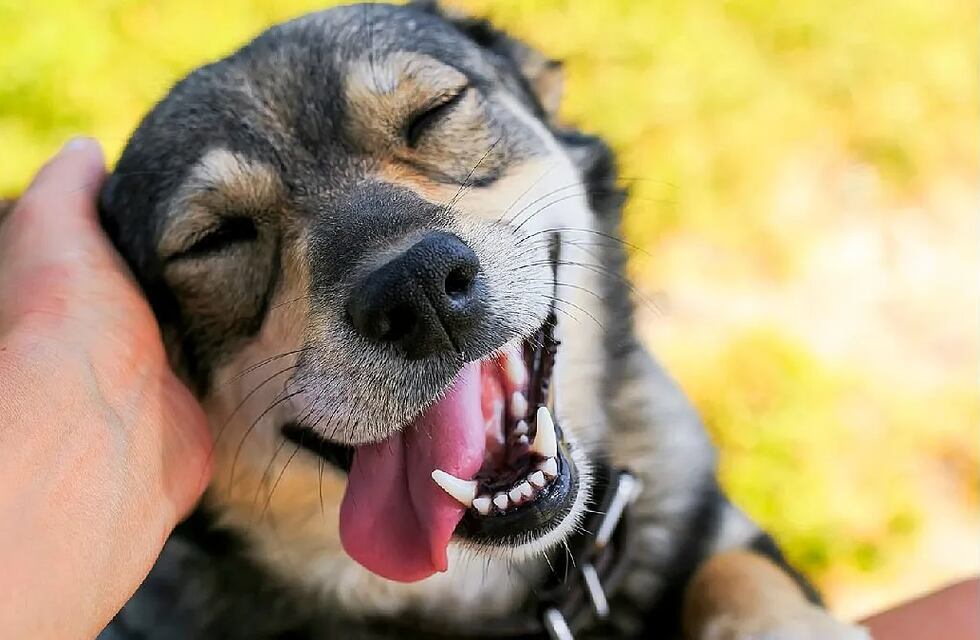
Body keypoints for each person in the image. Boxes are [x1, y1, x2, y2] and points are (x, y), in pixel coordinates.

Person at [0, 140, 974, 639]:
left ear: (553, 126)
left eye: (430, 121)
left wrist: (742, 596)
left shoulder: (650, 453)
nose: (406, 265)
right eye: (222, 236)